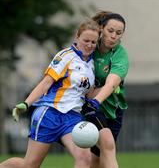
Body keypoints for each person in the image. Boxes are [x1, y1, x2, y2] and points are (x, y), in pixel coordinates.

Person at [0, 20, 100, 168]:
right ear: (77, 37)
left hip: (72, 118)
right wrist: (26, 103)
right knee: (30, 165)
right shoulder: (65, 56)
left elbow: (89, 95)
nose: (89, 45)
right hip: (49, 114)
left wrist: (111, 87)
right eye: (86, 40)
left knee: (84, 158)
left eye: (93, 42)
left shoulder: (92, 64)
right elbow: (45, 83)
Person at [81, 11, 129, 168]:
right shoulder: (90, 47)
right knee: (107, 147)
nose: (114, 36)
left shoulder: (120, 55)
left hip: (113, 110)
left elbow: (111, 83)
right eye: (110, 31)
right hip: (90, 108)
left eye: (119, 33)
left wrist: (95, 100)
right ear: (101, 29)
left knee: (97, 158)